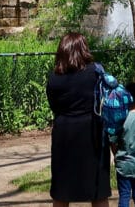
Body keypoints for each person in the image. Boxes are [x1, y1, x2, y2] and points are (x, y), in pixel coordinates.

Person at [45, 32, 110, 207]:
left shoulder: (54, 78)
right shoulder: (96, 72)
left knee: (61, 190)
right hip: (93, 134)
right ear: (83, 49)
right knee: (99, 191)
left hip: (64, 135)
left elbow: (54, 106)